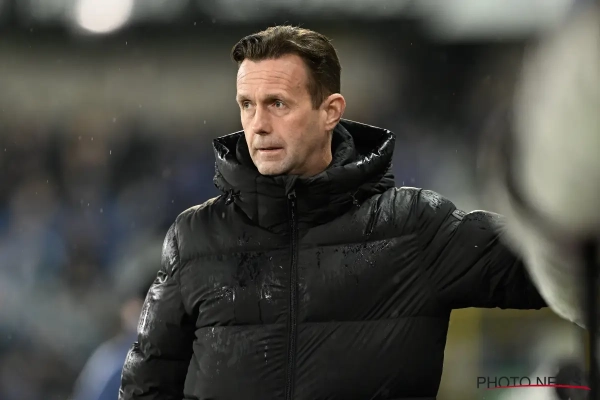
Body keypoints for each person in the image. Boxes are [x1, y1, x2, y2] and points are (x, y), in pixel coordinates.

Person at [118, 25, 587, 400]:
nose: (257, 125)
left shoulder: (413, 228)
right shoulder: (195, 236)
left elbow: (561, 261)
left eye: (277, 104)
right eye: (247, 105)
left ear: (330, 111)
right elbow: (146, 384)